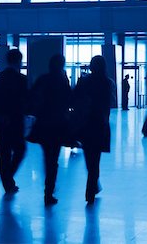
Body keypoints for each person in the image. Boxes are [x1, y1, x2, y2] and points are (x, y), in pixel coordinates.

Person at [29, 54, 72, 206]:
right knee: (53, 159)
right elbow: (69, 100)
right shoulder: (62, 80)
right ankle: (49, 190)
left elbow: (32, 97)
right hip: (58, 125)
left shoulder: (42, 79)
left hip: (43, 124)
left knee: (48, 157)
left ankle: (48, 187)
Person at [0, 49, 28, 195]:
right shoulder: (22, 80)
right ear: (19, 61)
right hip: (16, 122)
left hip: (0, 122)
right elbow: (25, 101)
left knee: (3, 154)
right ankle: (8, 177)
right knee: (20, 150)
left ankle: (7, 183)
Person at [73, 55, 114, 204]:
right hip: (99, 125)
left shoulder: (84, 81)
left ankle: (92, 187)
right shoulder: (107, 83)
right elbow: (109, 104)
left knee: (89, 158)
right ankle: (91, 189)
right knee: (95, 160)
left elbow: (74, 98)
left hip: (85, 125)